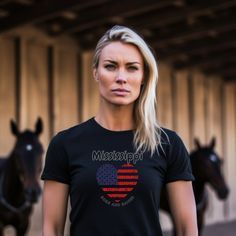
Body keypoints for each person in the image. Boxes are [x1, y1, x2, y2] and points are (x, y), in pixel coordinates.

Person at [41, 25, 198, 236]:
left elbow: (187, 229)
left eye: (132, 67)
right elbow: (52, 228)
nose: (121, 77)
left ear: (143, 76)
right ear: (96, 72)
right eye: (111, 66)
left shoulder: (167, 144)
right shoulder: (65, 144)